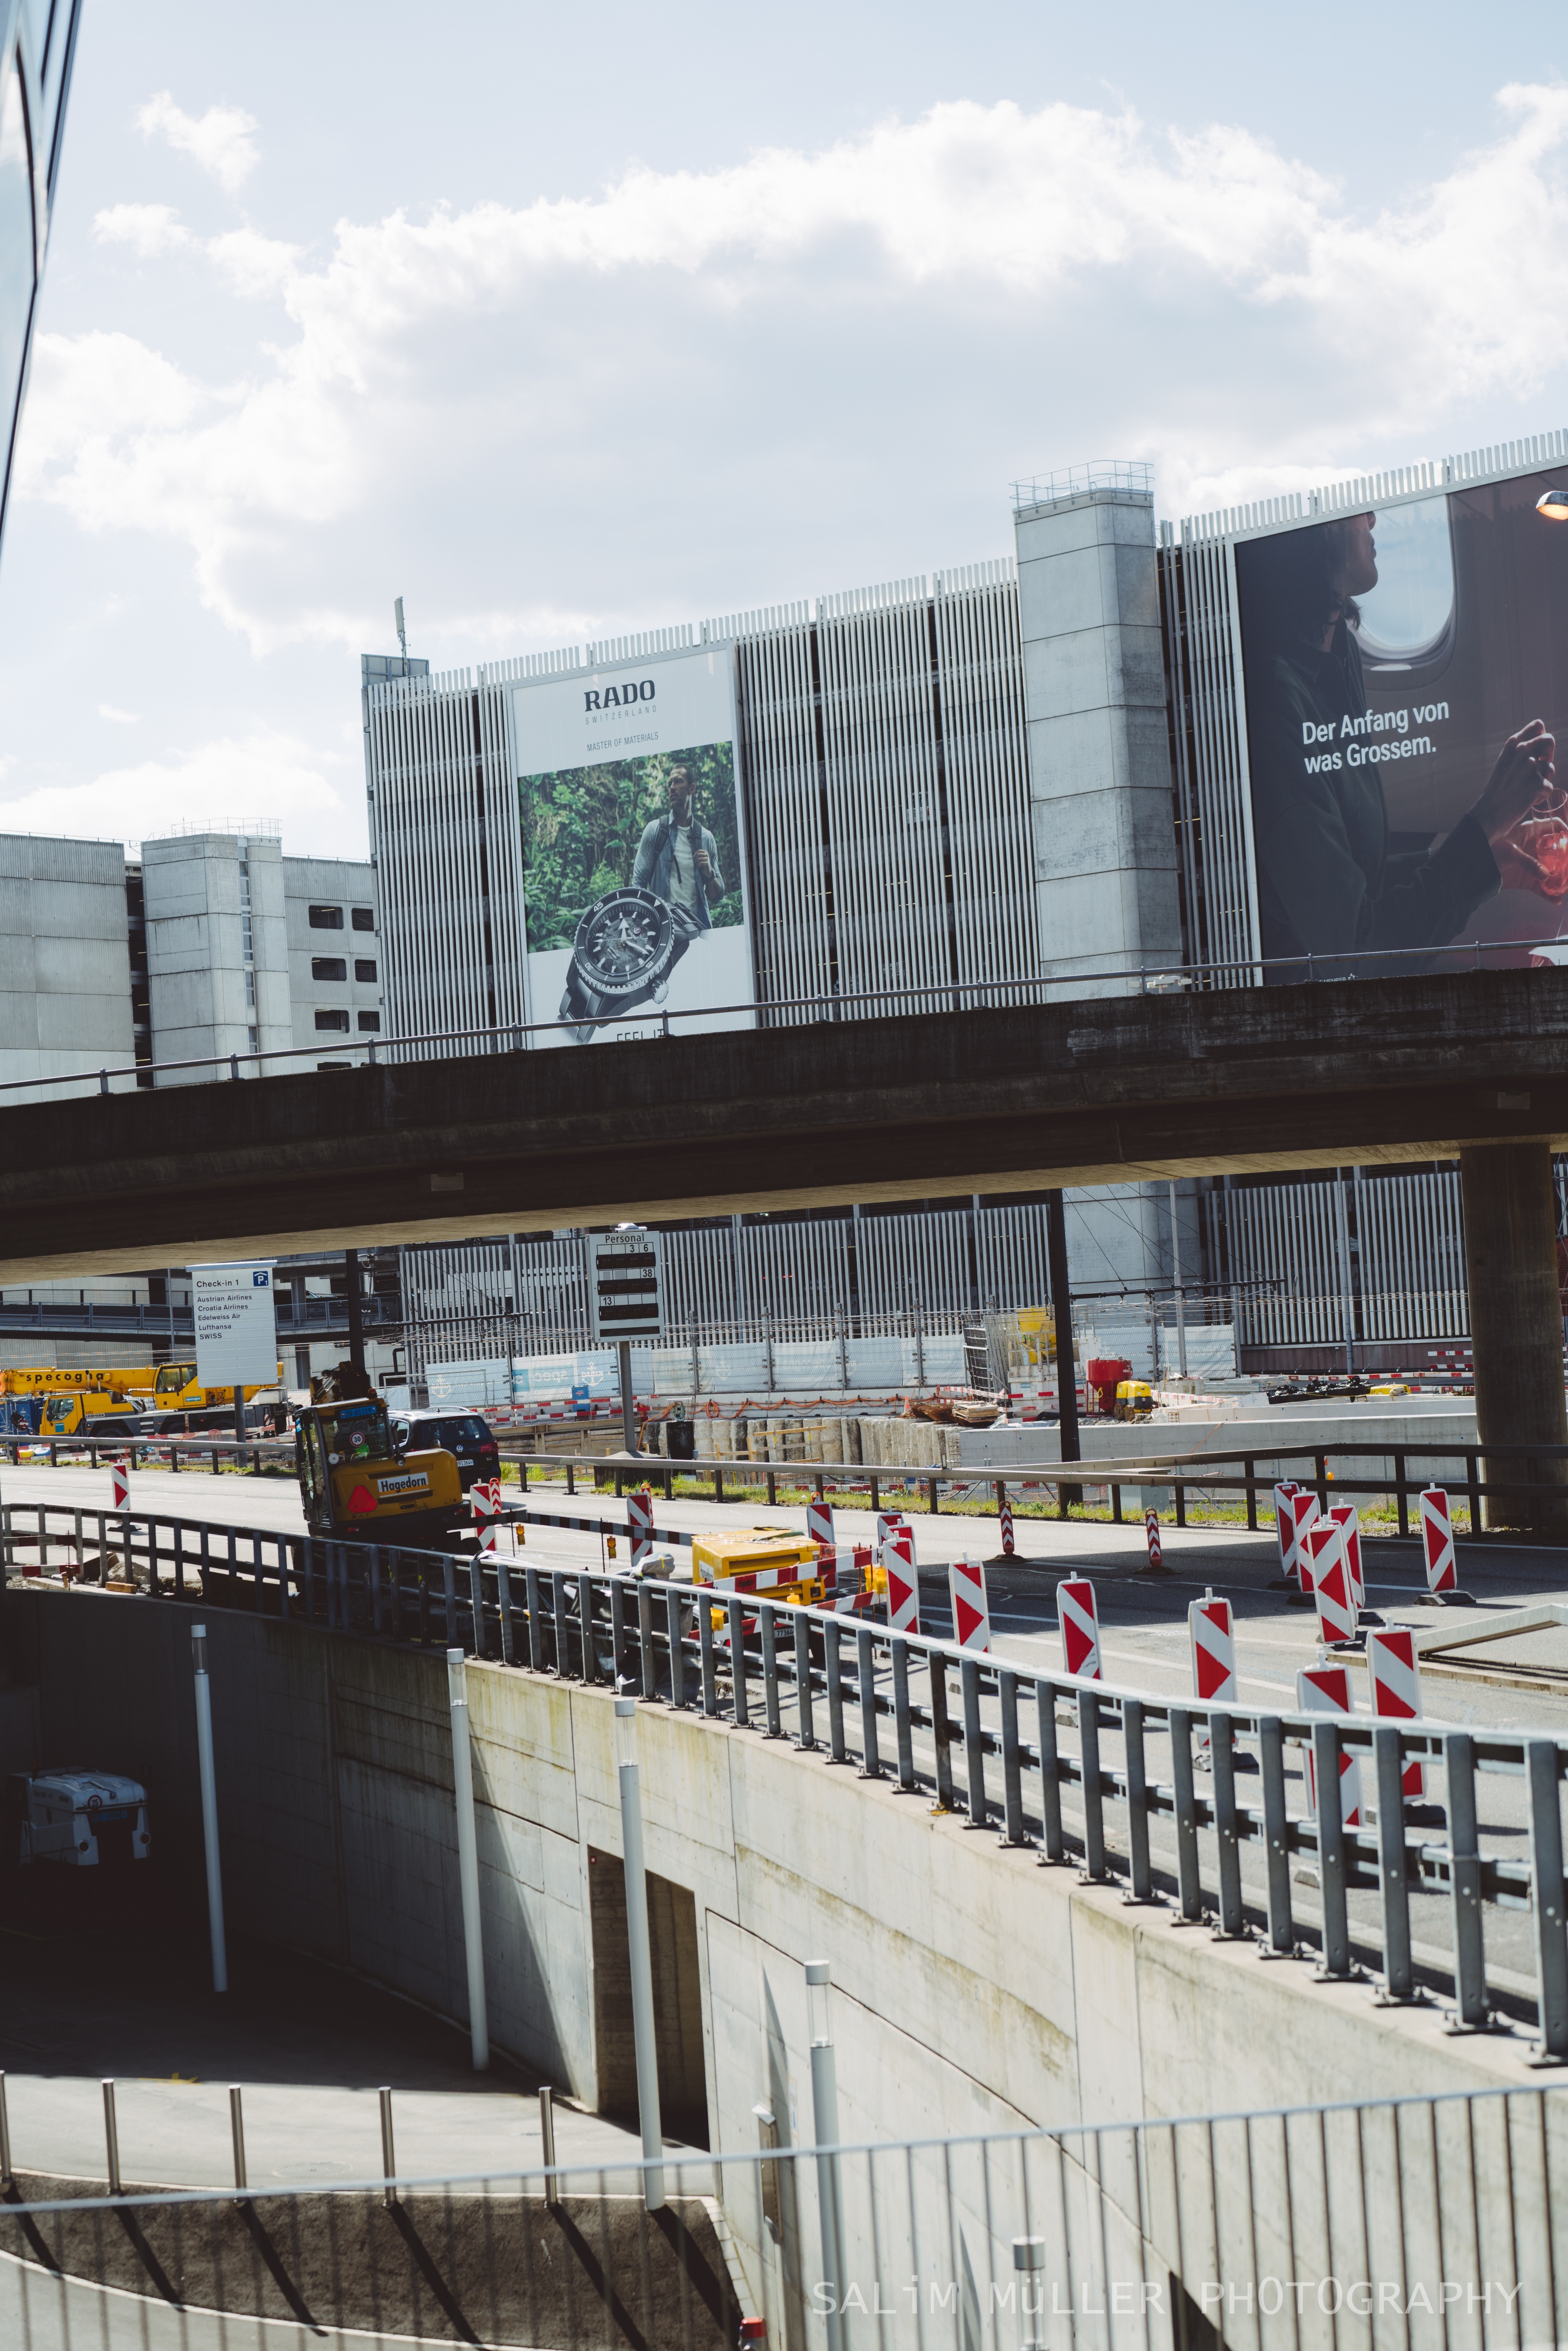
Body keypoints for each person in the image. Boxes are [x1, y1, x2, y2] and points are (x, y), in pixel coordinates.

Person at [1242, 510, 1559, 969]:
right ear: (1314, 531)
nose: (1371, 517)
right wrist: (1486, 817)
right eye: (1352, 510)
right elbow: (1355, 951)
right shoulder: (1274, 700)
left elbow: (1355, 886)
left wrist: (1484, 860)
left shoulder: (1338, 648)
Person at [630, 765, 725, 928]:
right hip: (663, 931)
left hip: (698, 929)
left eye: (678, 782)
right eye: (670, 784)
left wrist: (709, 874)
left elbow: (717, 896)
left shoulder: (705, 838)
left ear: (691, 788)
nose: (672, 788)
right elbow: (637, 885)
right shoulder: (655, 830)